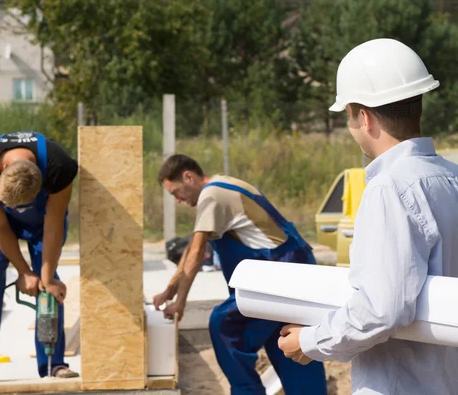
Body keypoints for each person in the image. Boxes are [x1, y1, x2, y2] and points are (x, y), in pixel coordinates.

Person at [277, 38, 458, 394]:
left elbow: (381, 309)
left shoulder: (389, 189)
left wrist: (310, 341)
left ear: (364, 117)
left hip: (403, 384)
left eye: (347, 116)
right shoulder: (452, 177)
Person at [153, 154, 327, 395]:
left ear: (188, 177)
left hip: (280, 276)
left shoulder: (211, 196)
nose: (178, 200)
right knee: (288, 341)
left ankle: (247, 391)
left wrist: (180, 302)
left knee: (226, 325)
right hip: (293, 273)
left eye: (175, 192)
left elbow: (195, 251)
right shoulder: (223, 184)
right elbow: (196, 244)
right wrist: (170, 290)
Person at [0, 131, 79, 389]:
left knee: (49, 286)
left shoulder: (60, 166)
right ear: (3, 168)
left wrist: (44, 277)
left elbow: (53, 224)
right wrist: (23, 271)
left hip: (44, 220)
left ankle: (54, 364)